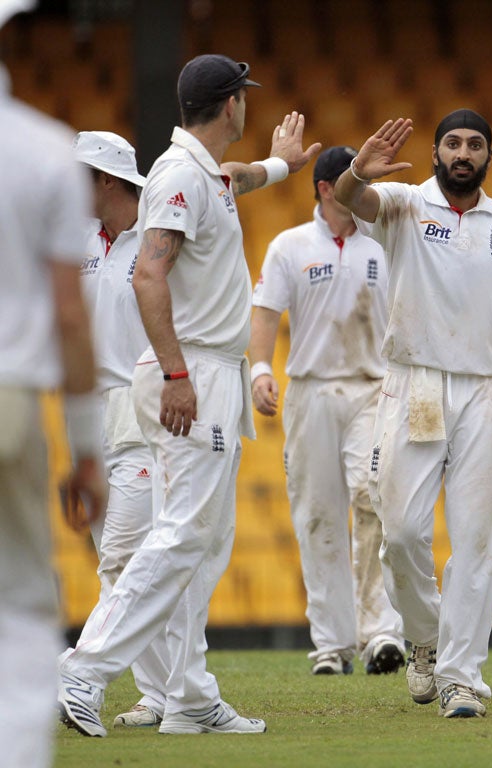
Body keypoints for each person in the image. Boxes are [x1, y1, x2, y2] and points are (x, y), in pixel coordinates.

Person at [57, 53, 320, 737]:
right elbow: (150, 274)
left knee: (203, 543)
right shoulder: (179, 175)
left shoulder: (204, 174)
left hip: (211, 373)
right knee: (179, 537)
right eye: (244, 99)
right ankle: (82, 672)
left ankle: (191, 696)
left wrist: (284, 167)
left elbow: (237, 178)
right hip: (193, 374)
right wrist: (175, 373)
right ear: (231, 105)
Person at [333, 110, 492, 718]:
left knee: (479, 540)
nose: (463, 153)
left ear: (488, 157)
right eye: (452, 143)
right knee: (399, 534)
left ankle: (459, 675)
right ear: (434, 152)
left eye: (475, 145)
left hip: (483, 389)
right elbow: (353, 201)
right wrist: (354, 172)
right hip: (415, 383)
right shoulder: (403, 204)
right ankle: (425, 637)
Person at [250, 144, 405, 677]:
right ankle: (332, 645)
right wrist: (260, 370)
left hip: (372, 387)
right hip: (312, 391)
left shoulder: (383, 244)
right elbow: (266, 312)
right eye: (350, 184)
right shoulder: (289, 247)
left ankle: (380, 632)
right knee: (317, 516)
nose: (360, 194)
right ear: (324, 188)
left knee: (372, 497)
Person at [0, 2, 108, 763]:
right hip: (7, 397)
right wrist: (88, 450)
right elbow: (71, 317)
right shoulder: (42, 149)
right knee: (20, 602)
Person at [65, 130, 176, 728]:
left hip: (143, 406)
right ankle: (159, 694)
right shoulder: (76, 239)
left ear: (107, 179)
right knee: (116, 558)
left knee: (125, 556)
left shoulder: (157, 238)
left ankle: (78, 675)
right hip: (88, 413)